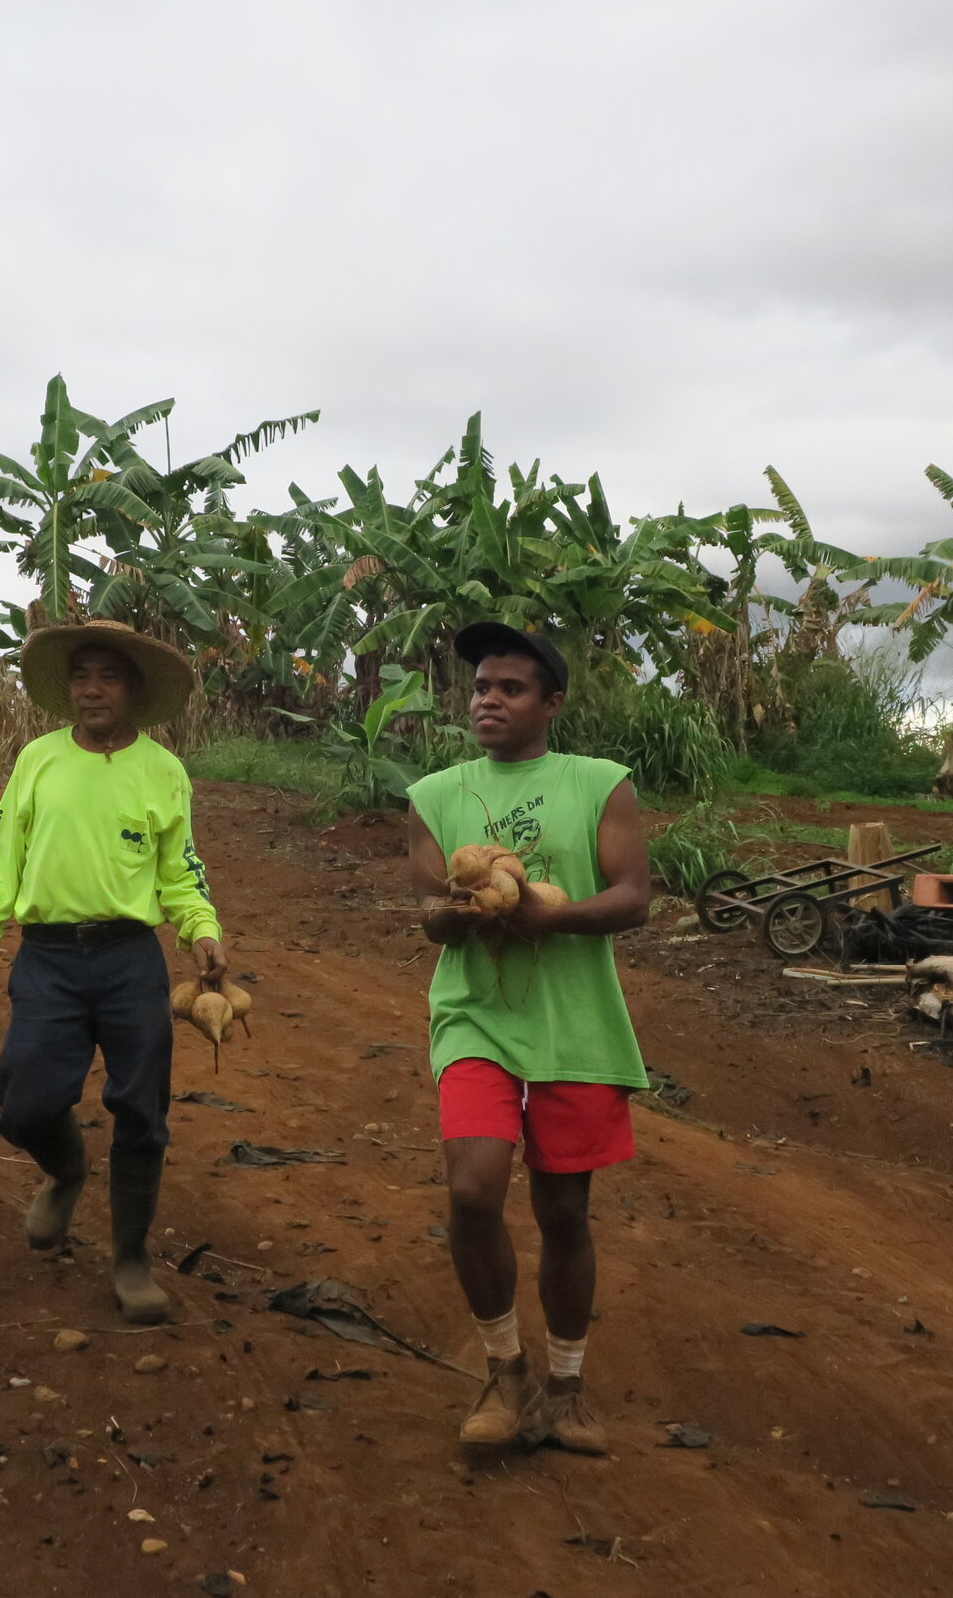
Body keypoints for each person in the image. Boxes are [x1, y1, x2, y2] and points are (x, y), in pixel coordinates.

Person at [403, 623, 652, 1454]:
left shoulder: (600, 783)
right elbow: (432, 917)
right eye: (480, 686)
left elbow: (633, 896)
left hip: (575, 1024)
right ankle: (504, 1371)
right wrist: (462, 908)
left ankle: (568, 1388)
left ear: (552, 702)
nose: (489, 700)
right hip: (476, 1014)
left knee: (563, 1210)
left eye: (510, 688)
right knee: (473, 1189)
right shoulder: (435, 794)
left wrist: (549, 914)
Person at [0, 620, 228, 1324]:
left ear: (132, 690)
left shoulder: (164, 772)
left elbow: (180, 872)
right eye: (81, 676)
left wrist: (204, 929)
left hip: (131, 959)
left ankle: (130, 1257)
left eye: (108, 676)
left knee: (142, 1110)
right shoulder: (38, 760)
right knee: (27, 1101)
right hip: (50, 958)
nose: (92, 689)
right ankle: (67, 1170)